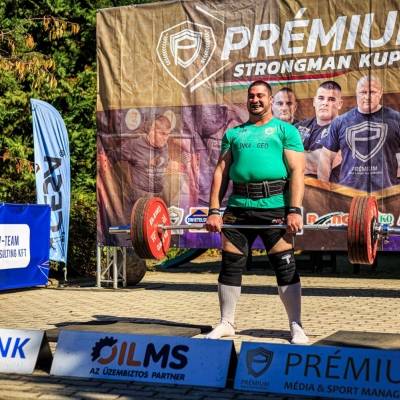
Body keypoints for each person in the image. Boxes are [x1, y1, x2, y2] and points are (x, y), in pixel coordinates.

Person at [205, 80, 308, 344]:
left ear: (270, 100)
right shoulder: (234, 134)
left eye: (260, 95)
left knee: (284, 264)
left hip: (274, 205)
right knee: (230, 263)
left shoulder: (285, 131)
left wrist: (294, 210)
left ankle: (296, 325)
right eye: (251, 96)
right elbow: (221, 172)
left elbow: (297, 171)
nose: (255, 100)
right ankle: (226, 323)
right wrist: (214, 210)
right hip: (238, 207)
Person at [318, 75, 400, 191]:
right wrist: (324, 190)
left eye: (372, 92)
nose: (367, 97)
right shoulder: (340, 122)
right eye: (363, 92)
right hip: (348, 194)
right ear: (356, 93)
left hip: (385, 194)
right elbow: (325, 158)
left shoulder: (396, 119)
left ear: (380, 92)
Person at [121, 114, 173, 209]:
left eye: (168, 134)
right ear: (151, 131)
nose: (165, 138)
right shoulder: (135, 144)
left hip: (160, 195)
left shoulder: (165, 145)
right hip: (140, 197)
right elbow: (112, 156)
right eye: (162, 134)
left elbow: (165, 162)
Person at [295, 81, 343, 178]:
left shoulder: (345, 129)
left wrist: (292, 156)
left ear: (340, 104)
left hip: (328, 187)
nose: (325, 103)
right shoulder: (298, 127)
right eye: (321, 98)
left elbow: (322, 163)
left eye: (331, 99)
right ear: (314, 101)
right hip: (296, 186)